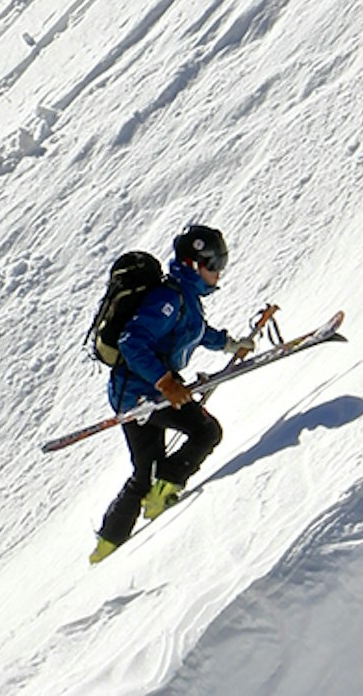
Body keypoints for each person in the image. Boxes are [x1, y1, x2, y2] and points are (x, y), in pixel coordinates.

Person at [90, 224, 252, 563]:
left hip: (140, 393)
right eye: (215, 264)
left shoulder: (184, 298)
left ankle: (106, 547)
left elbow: (196, 331)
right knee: (205, 431)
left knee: (144, 470)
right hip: (141, 394)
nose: (219, 272)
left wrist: (229, 344)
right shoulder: (169, 298)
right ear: (195, 264)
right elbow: (131, 342)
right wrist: (165, 382)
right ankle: (162, 496)